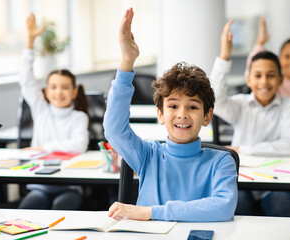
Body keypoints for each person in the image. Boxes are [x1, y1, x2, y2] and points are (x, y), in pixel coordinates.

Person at [104, 8, 237, 221]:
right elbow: (114, 129)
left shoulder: (221, 161)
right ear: (160, 114)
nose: (182, 114)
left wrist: (150, 212)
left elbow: (223, 206)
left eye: (192, 107)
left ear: (207, 116)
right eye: (173, 106)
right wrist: (127, 62)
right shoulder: (148, 155)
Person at [210, 20, 290, 216]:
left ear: (280, 79)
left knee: (281, 205)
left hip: (278, 179)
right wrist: (225, 56)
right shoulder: (240, 104)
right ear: (248, 79)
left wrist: (242, 150)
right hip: (243, 177)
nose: (264, 82)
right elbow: (214, 99)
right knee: (237, 205)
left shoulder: (289, 106)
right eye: (258, 75)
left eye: (270, 75)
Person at [18, 13, 89, 210]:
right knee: (27, 210)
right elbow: (26, 80)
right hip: (40, 186)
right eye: (54, 87)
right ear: (46, 92)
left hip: (69, 186)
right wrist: (30, 41)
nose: (59, 92)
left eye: (65, 87)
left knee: (62, 208)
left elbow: (78, 145)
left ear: (74, 92)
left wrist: (43, 148)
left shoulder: (79, 117)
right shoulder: (41, 111)